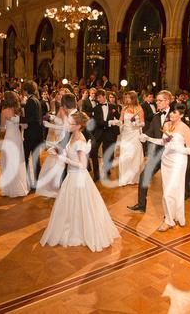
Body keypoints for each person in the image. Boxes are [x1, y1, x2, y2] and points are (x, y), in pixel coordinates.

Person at [40, 112, 120, 252]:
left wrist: (63, 159)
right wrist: (57, 150)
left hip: (78, 177)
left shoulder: (80, 141)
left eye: (70, 123)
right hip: (71, 176)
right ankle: (70, 228)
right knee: (69, 205)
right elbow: (66, 150)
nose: (67, 125)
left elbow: (83, 165)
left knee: (82, 206)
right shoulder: (72, 135)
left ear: (78, 126)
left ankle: (80, 232)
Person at [141, 103, 190, 231]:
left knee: (170, 192)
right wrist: (148, 138)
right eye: (171, 112)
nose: (171, 114)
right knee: (168, 190)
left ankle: (169, 220)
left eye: (174, 113)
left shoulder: (185, 128)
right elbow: (163, 142)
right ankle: (176, 216)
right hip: (166, 161)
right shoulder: (166, 125)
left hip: (178, 161)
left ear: (181, 115)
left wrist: (177, 147)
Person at [128, 90, 172, 213]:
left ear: (167, 101)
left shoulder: (175, 115)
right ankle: (141, 205)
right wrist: (144, 136)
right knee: (144, 176)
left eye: (159, 100)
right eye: (156, 100)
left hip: (172, 154)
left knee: (171, 183)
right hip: (158, 153)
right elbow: (151, 130)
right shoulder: (156, 116)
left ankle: (172, 211)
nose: (156, 102)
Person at [0, 91, 29, 197]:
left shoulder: (4, 111)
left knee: (8, 162)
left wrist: (4, 127)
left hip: (9, 137)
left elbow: (2, 129)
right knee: (18, 161)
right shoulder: (19, 110)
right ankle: (19, 188)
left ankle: (9, 189)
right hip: (17, 137)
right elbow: (25, 126)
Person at [114, 91, 144, 186]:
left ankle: (134, 178)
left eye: (129, 98)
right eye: (126, 97)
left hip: (135, 134)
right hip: (126, 135)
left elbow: (143, 123)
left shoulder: (139, 108)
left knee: (135, 155)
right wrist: (116, 122)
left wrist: (136, 124)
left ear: (134, 98)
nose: (127, 99)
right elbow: (121, 120)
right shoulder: (124, 108)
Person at [90, 89, 120, 182]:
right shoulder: (96, 108)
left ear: (104, 96)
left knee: (107, 153)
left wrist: (116, 118)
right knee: (93, 152)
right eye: (97, 98)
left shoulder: (113, 106)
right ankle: (96, 174)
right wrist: (109, 122)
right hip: (98, 133)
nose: (98, 99)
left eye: (99, 97)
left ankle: (106, 170)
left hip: (110, 133)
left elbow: (118, 118)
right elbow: (98, 122)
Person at [21, 82, 43, 189]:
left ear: (26, 90)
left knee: (25, 158)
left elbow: (31, 118)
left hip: (31, 135)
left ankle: (28, 182)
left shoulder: (30, 101)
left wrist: (18, 119)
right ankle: (37, 181)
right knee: (35, 159)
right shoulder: (36, 100)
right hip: (37, 134)